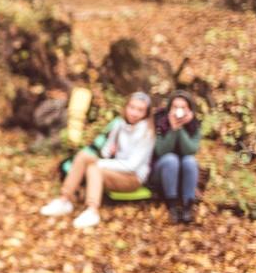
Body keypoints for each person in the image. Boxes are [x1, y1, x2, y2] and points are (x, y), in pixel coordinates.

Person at [40, 92, 155, 228]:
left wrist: (101, 163)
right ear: (126, 107)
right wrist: (110, 150)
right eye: (132, 107)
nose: (134, 113)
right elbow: (105, 152)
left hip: (133, 178)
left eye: (140, 110)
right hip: (114, 169)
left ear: (146, 113)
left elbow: (132, 166)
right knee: (84, 156)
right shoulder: (119, 124)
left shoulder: (147, 133)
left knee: (95, 168)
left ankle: (92, 210)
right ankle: (64, 200)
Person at [151, 90, 202, 224]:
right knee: (170, 159)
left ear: (189, 110)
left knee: (190, 160)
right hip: (161, 171)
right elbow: (161, 151)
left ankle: (187, 206)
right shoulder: (160, 122)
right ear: (169, 109)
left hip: (183, 172)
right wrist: (173, 129)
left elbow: (190, 150)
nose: (178, 111)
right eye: (175, 107)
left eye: (183, 107)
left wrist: (181, 129)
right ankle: (172, 206)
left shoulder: (194, 124)